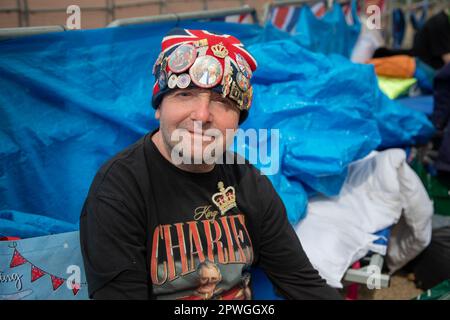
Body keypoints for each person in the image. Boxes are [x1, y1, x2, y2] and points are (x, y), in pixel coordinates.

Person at [80, 28, 342, 300]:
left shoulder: (249, 182)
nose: (202, 115)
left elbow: (302, 283)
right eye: (185, 94)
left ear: (238, 122)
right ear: (159, 107)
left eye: (222, 101)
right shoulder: (119, 189)